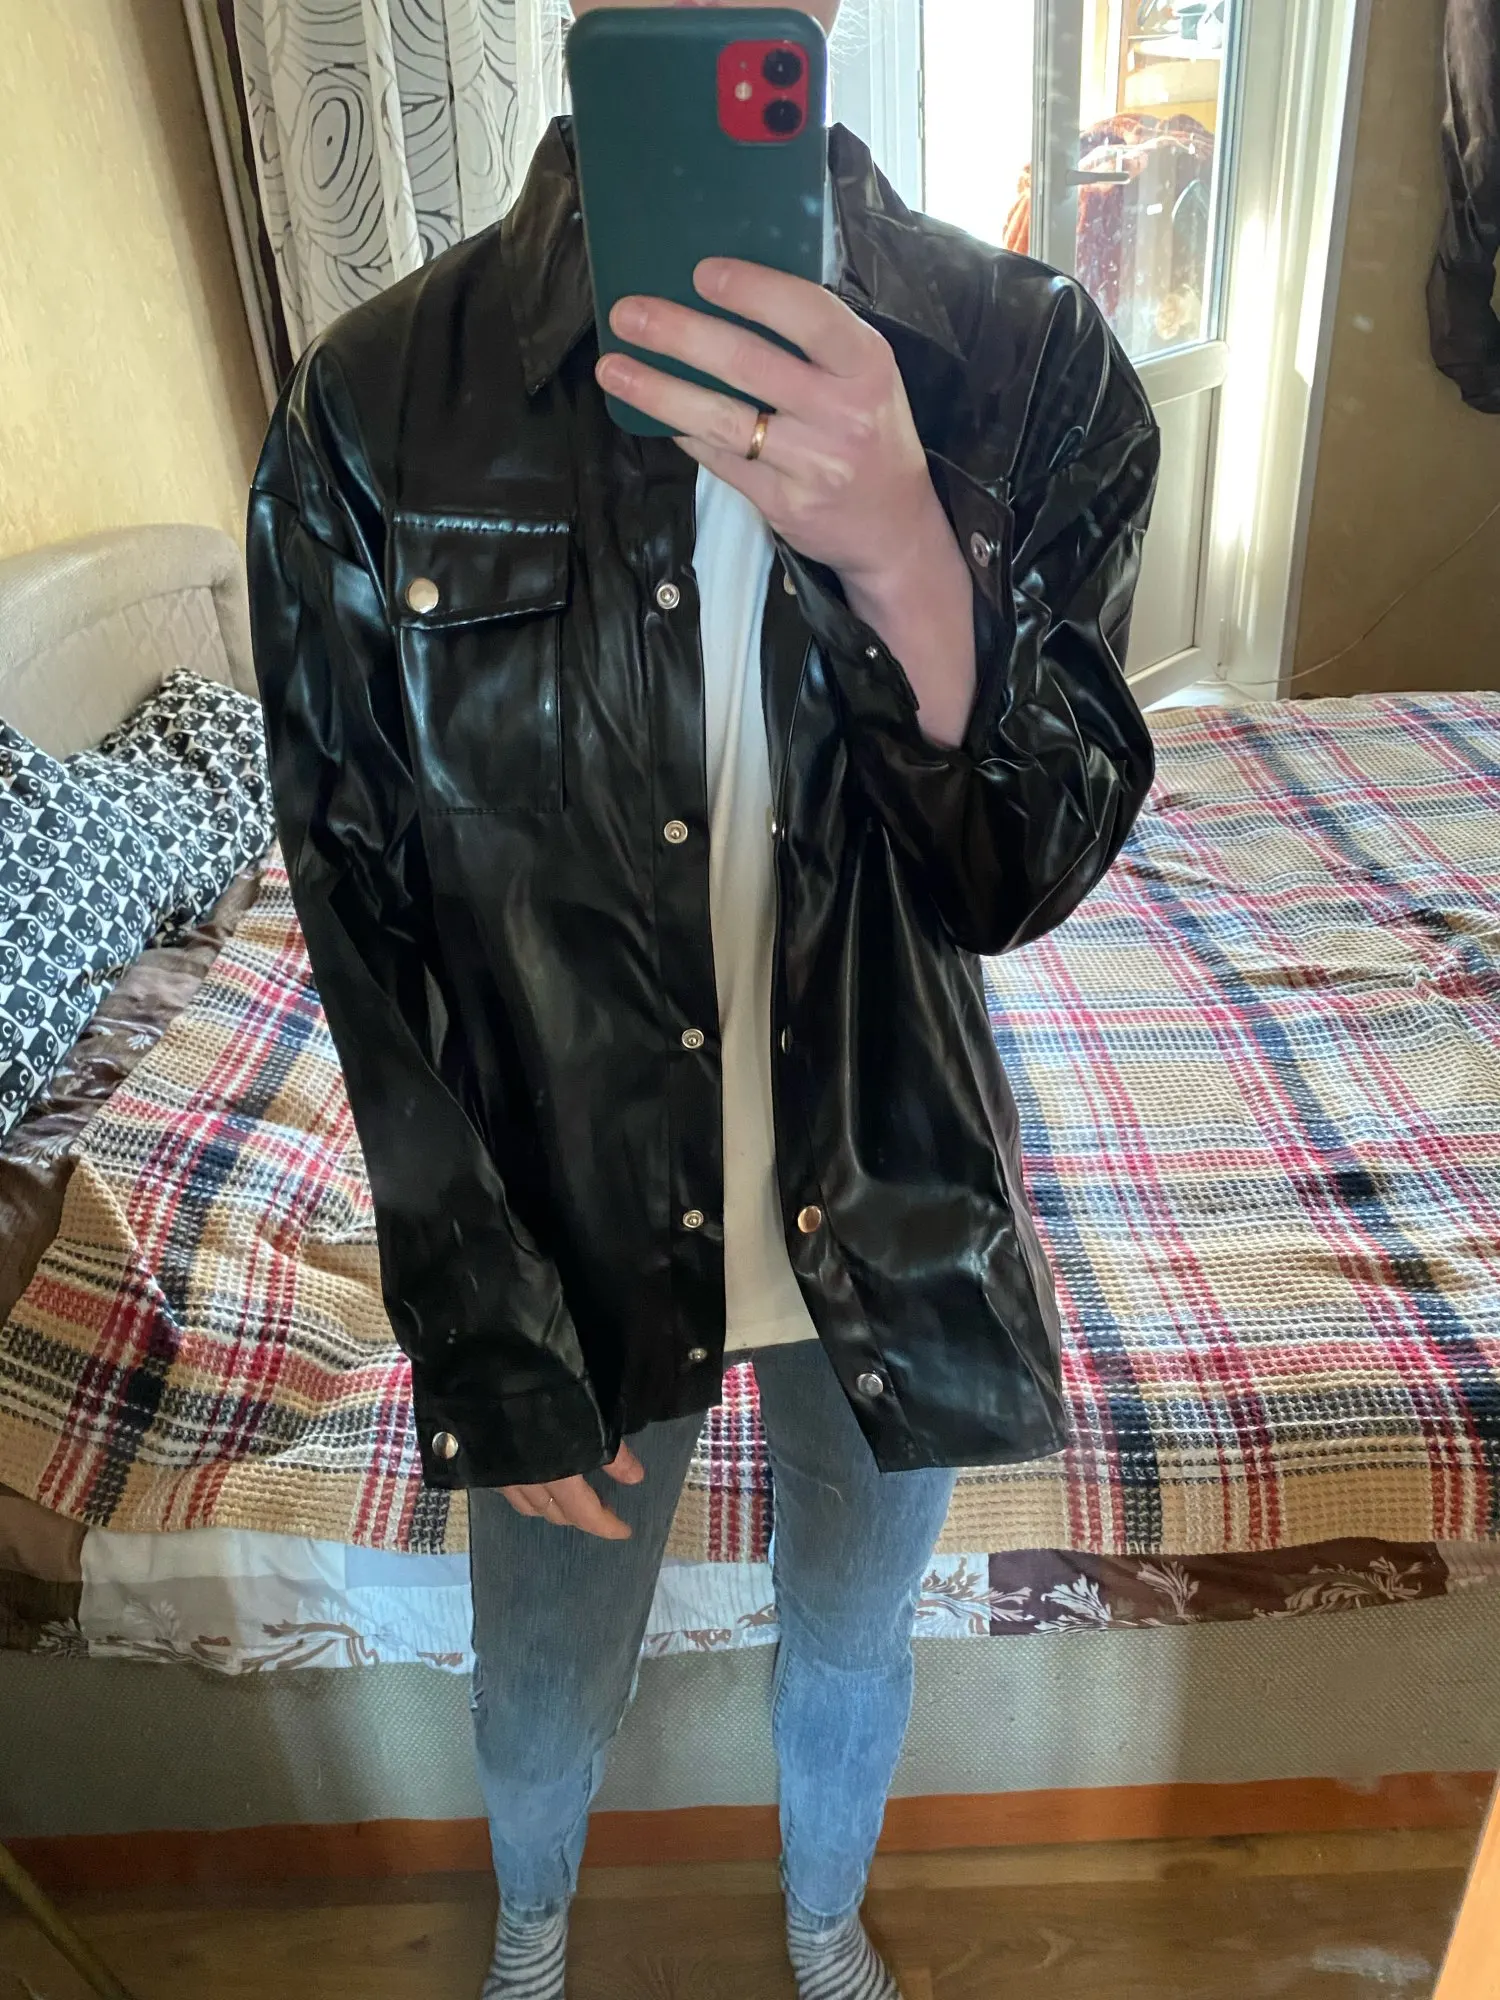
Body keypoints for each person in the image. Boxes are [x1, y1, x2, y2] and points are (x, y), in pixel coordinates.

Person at [247, 1, 1160, 1992]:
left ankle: (823, 1924)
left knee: (852, 1627)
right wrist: (476, 1318)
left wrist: (908, 552)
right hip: (564, 1226)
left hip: (892, 1190)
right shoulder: (377, 407)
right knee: (540, 1675)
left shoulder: (1027, 366)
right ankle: (534, 1928)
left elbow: (1019, 877)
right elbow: (359, 909)